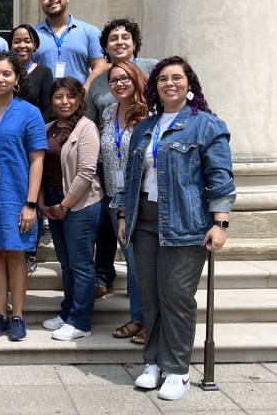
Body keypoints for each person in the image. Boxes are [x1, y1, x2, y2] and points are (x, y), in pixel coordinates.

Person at [112, 56, 236, 401]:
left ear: (189, 84)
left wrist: (220, 224)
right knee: (150, 297)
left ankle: (178, 369)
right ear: (155, 87)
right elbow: (130, 178)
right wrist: (124, 216)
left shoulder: (207, 125)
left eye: (176, 78)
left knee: (177, 298)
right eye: (163, 79)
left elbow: (221, 180)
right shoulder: (145, 126)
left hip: (185, 223)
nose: (169, 83)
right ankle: (152, 362)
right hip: (144, 222)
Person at [0, 51, 46, 342]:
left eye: (6, 74)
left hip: (16, 194)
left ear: (17, 79)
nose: (0, 78)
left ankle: (18, 316)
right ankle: (0, 315)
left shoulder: (30, 112)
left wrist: (30, 204)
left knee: (15, 254)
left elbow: (37, 160)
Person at [87, 18, 158, 303]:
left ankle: (143, 308)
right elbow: (91, 124)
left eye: (124, 37)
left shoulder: (154, 67)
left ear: (134, 42)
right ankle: (111, 280)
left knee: (140, 244)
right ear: (105, 46)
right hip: (110, 166)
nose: (119, 42)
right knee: (114, 229)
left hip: (145, 170)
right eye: (112, 38)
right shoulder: (98, 86)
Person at [39, 77, 103, 341]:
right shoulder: (48, 127)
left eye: (69, 96)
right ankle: (67, 312)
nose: (64, 102)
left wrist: (65, 205)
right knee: (65, 263)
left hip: (80, 203)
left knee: (80, 265)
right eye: (58, 97)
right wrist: (42, 201)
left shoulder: (87, 128)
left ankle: (80, 320)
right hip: (53, 200)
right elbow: (40, 166)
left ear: (78, 100)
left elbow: (87, 172)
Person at [98, 60, 148, 345]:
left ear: (136, 79)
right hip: (112, 198)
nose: (119, 84)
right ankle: (139, 317)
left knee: (139, 263)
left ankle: (147, 320)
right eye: (114, 80)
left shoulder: (148, 114)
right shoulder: (107, 114)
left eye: (124, 79)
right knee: (132, 262)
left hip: (138, 199)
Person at [8, 23, 55, 271]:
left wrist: (34, 134)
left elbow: (49, 108)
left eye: (27, 40)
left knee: (32, 196)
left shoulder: (43, 72)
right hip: (9, 143)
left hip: (34, 141)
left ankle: (30, 251)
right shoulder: (4, 72)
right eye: (17, 40)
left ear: (35, 45)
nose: (22, 45)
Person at [33, 0, 108, 89]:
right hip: (43, 102)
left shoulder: (89, 31)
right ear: (41, 3)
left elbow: (101, 66)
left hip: (79, 100)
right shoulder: (32, 34)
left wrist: (84, 93)